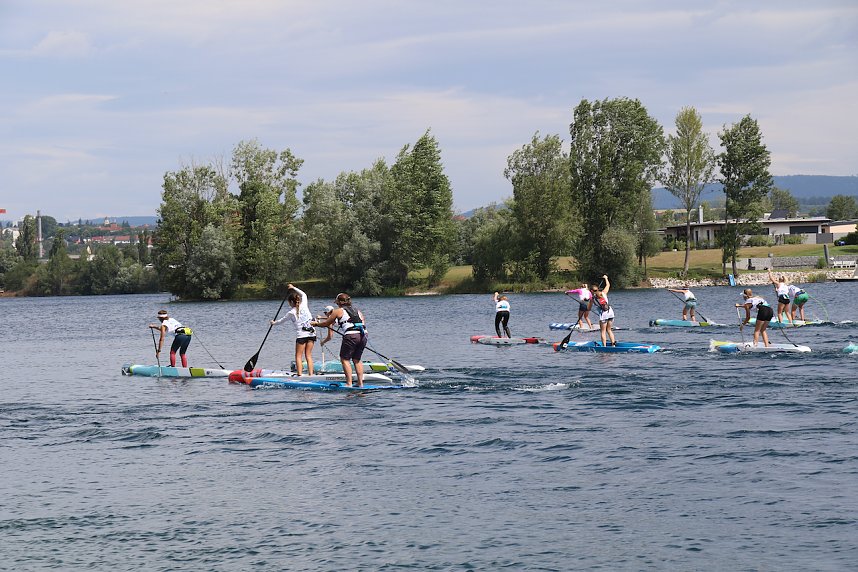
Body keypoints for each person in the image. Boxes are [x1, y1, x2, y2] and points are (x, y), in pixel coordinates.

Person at [311, 293, 368, 387]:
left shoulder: (338, 311)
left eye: (337, 302)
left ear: (340, 302)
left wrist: (316, 324)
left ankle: (349, 383)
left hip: (351, 335)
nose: (336, 304)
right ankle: (360, 383)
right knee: (356, 359)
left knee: (345, 359)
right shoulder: (358, 311)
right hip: (364, 335)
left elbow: (326, 323)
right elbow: (361, 321)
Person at [271, 283, 316, 376]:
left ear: (291, 302)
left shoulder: (291, 312)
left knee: (298, 356)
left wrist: (273, 323)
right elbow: (304, 294)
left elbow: (281, 321)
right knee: (308, 355)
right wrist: (293, 288)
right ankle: (311, 374)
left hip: (302, 335)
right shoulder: (304, 305)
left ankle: (299, 375)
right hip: (312, 334)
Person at [588, 275, 616, 347]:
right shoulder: (603, 292)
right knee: (609, 330)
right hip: (611, 313)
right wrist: (606, 278)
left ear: (591, 291)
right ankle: (613, 345)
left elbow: (589, 308)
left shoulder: (592, 299)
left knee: (603, 332)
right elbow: (608, 285)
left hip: (603, 315)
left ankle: (604, 347)